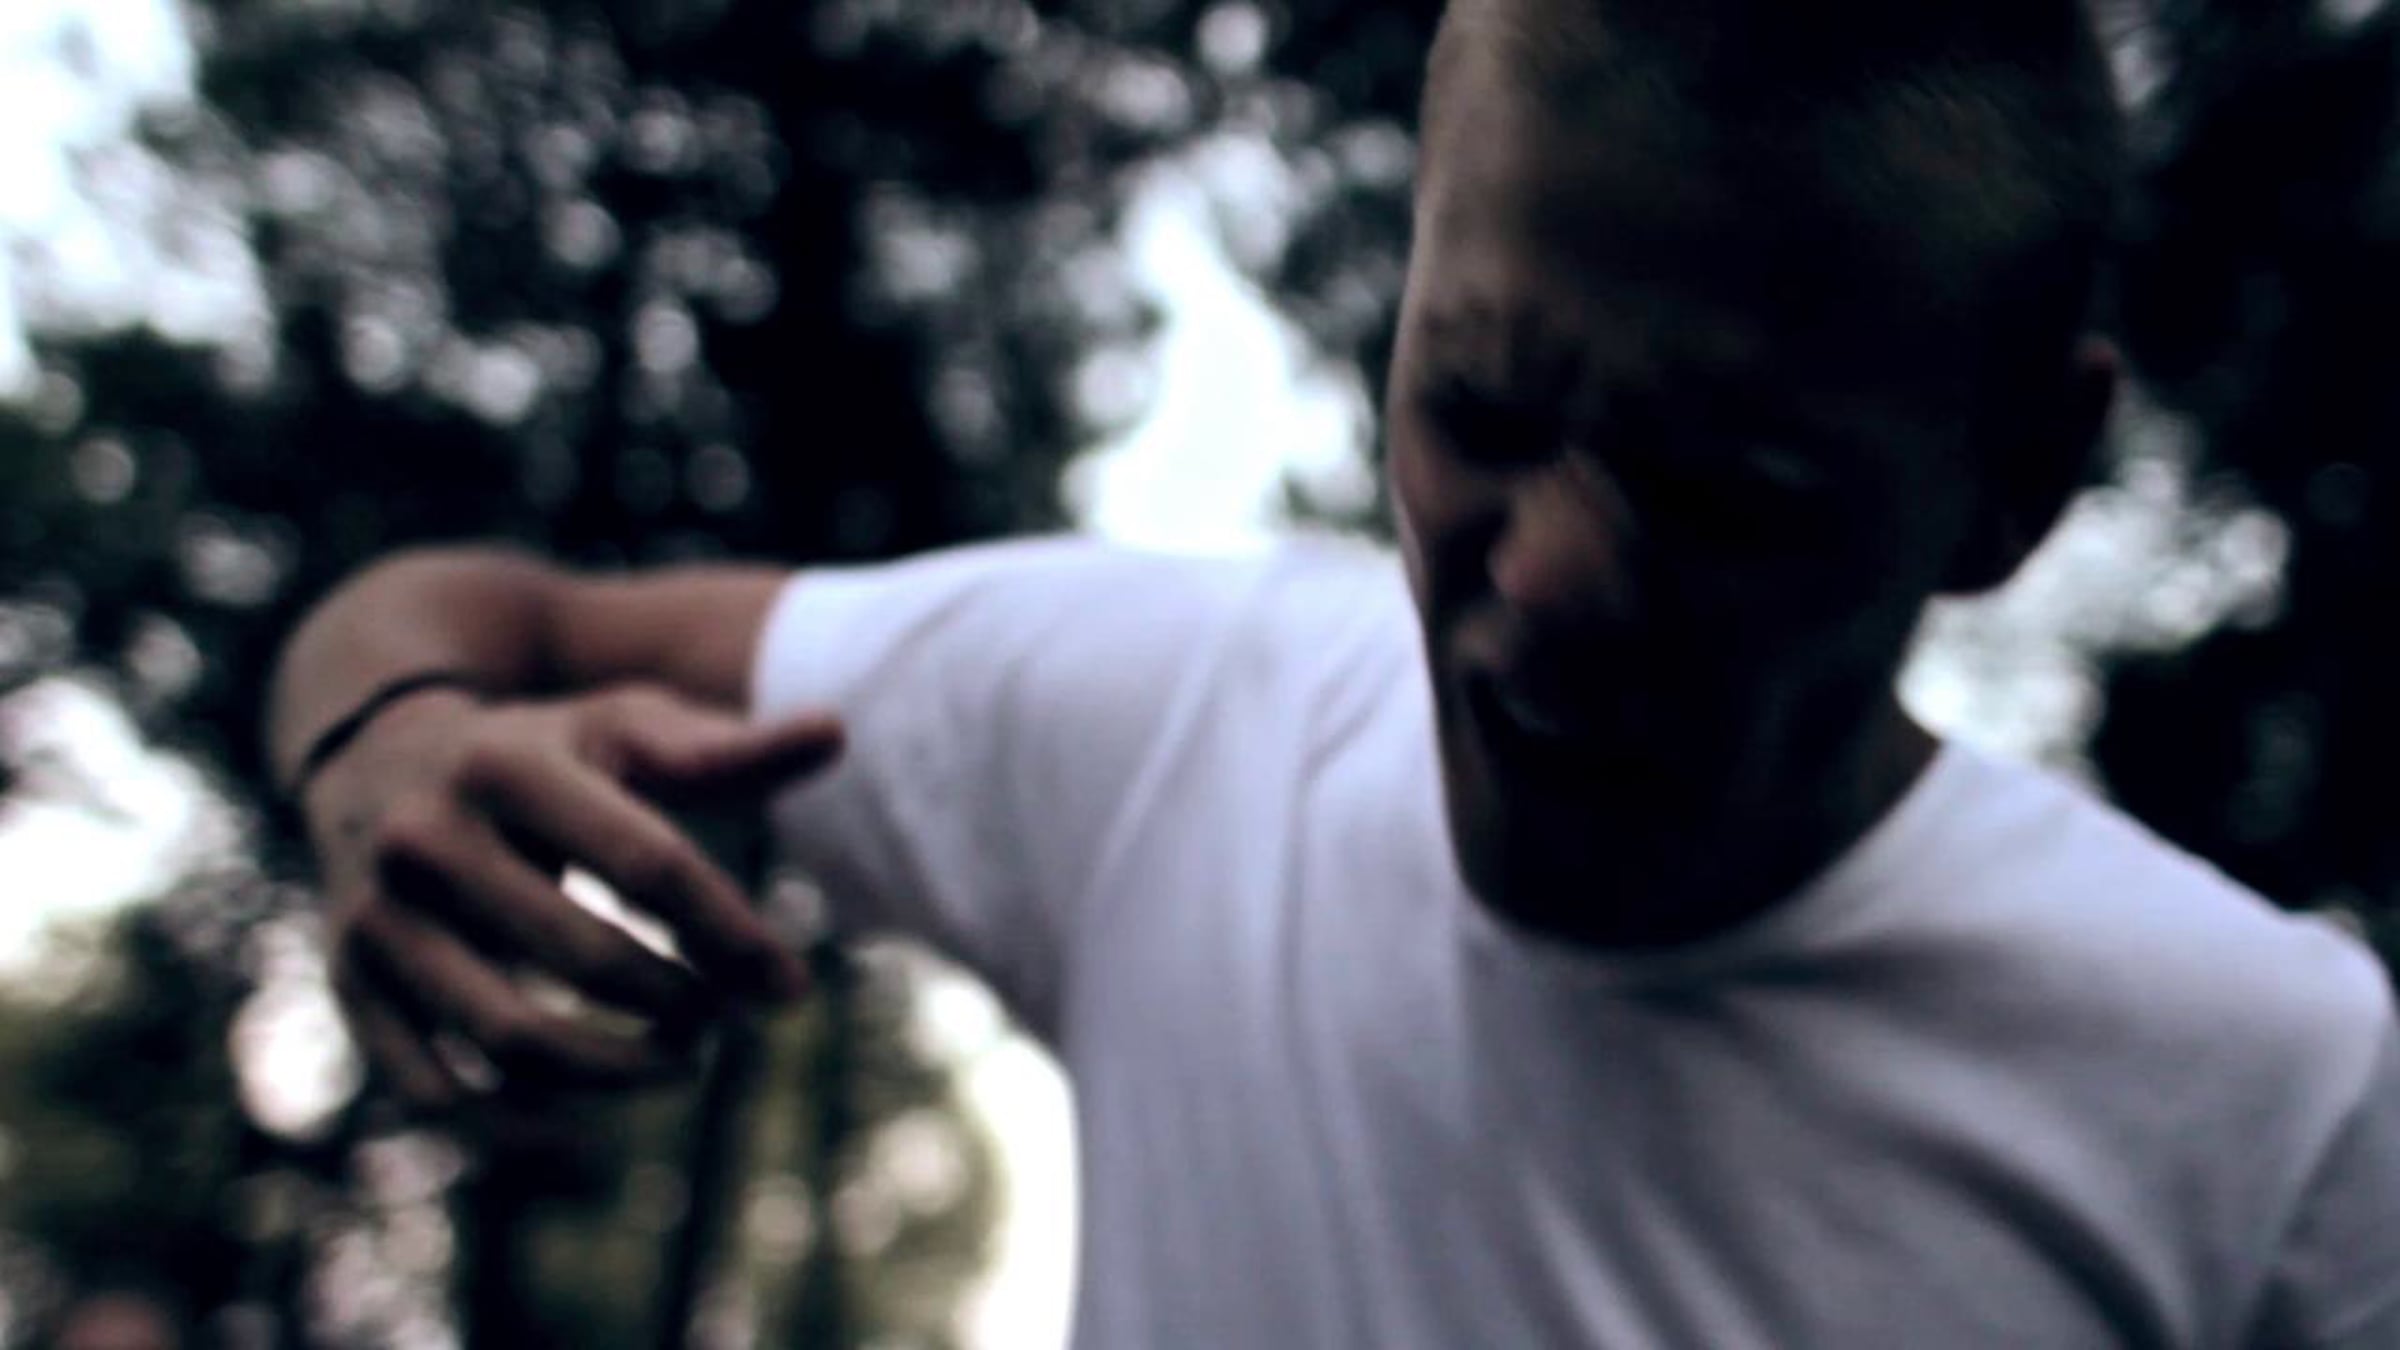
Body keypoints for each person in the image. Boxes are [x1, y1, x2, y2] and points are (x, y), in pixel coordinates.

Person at [267, 0, 2400, 1344]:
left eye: (1722, 492)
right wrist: (386, 742)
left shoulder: (2275, 1107)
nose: (1542, 580)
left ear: (2014, 480)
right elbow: (477, 618)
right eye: (1479, 405)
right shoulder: (1171, 728)